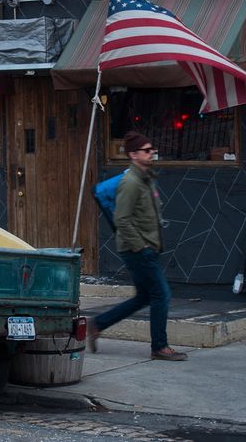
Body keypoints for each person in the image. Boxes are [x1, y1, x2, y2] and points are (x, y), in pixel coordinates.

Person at [88, 130, 187, 361]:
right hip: (138, 250)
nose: (151, 152)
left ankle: (97, 324)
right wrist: (140, 246)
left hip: (144, 248)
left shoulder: (145, 178)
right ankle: (159, 347)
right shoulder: (131, 182)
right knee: (162, 294)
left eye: (152, 149)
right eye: (146, 150)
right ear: (133, 155)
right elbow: (121, 218)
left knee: (144, 296)